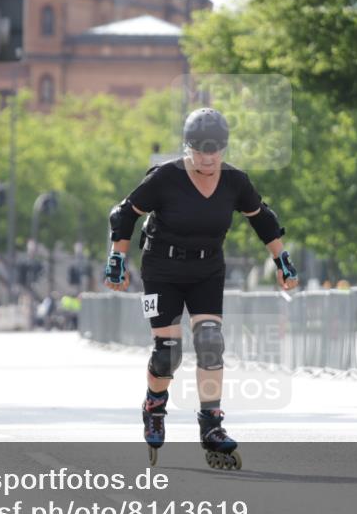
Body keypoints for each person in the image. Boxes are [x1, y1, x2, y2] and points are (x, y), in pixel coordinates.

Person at [104, 107, 299, 470]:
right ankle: (154, 405)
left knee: (210, 342)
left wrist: (281, 260)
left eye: (216, 151)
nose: (208, 159)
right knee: (168, 352)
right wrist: (116, 259)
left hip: (207, 268)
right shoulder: (165, 178)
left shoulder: (234, 182)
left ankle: (211, 425)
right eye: (200, 150)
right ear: (187, 147)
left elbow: (264, 220)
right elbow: (124, 213)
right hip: (160, 270)